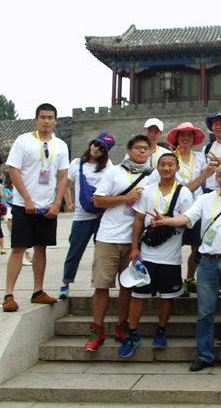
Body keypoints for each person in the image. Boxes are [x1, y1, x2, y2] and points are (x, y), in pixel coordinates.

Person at [149, 162, 221, 372]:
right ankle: (205, 355)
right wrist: (167, 221)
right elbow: (188, 218)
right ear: (215, 178)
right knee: (205, 312)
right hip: (208, 262)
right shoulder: (205, 199)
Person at [84, 135, 156, 351]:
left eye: (146, 148)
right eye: (138, 148)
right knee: (102, 285)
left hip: (134, 240)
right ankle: (97, 329)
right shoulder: (114, 172)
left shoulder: (153, 175)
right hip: (108, 237)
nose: (142, 151)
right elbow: (98, 200)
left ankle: (122, 325)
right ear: (129, 151)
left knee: (128, 285)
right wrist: (126, 197)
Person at [118, 153, 194, 357]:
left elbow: (188, 222)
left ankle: (161, 330)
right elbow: (138, 220)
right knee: (138, 295)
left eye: (170, 164)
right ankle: (133, 333)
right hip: (146, 254)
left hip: (171, 256)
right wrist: (134, 248)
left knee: (167, 296)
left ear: (177, 168)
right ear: (157, 167)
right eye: (162, 164)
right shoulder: (148, 190)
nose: (166, 168)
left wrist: (167, 221)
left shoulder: (184, 193)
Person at [3, 103, 69, 312]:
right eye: (42, 117)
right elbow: (13, 170)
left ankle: (38, 291)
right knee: (19, 248)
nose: (46, 121)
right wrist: (27, 199)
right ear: (36, 119)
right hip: (23, 204)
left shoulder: (61, 145)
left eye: (50, 117)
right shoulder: (23, 141)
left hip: (47, 205)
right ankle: (9, 295)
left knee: (41, 247)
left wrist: (58, 203)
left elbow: (63, 176)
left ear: (56, 120)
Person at [58, 133, 115, 299]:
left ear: (106, 152)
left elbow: (113, 186)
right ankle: (66, 283)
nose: (97, 149)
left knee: (101, 255)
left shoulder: (108, 165)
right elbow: (66, 184)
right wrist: (69, 203)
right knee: (75, 251)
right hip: (81, 216)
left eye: (102, 148)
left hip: (101, 216)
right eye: (96, 144)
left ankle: (99, 286)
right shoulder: (76, 163)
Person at [165, 122, 209, 296]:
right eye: (182, 135)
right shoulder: (169, 157)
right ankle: (174, 281)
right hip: (175, 208)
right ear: (176, 138)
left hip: (197, 208)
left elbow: (210, 176)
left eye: (189, 135)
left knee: (197, 247)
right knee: (173, 246)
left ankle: (190, 279)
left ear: (193, 139)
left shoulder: (200, 157)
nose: (186, 138)